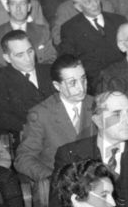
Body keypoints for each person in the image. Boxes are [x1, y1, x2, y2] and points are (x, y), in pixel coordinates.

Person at [15, 54, 96, 183]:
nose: (81, 87)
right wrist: (54, 179)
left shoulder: (98, 105)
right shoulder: (41, 114)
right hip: (60, 185)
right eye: (72, 83)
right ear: (57, 86)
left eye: (83, 79)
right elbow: (23, 158)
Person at [0, 30, 55, 139]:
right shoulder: (0, 78)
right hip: (30, 136)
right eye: (20, 55)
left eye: (30, 51)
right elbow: (3, 119)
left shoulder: (49, 70)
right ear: (7, 58)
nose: (28, 59)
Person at [59, 0, 127, 88]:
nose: (95, 4)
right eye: (88, 2)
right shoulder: (70, 29)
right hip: (96, 83)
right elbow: (70, 63)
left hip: (127, 77)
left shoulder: (119, 21)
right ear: (78, 7)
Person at [0, 0, 57, 73]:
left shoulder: (42, 31)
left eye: (22, 4)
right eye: (13, 4)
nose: (18, 8)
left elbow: (52, 58)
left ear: (29, 7)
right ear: (8, 7)